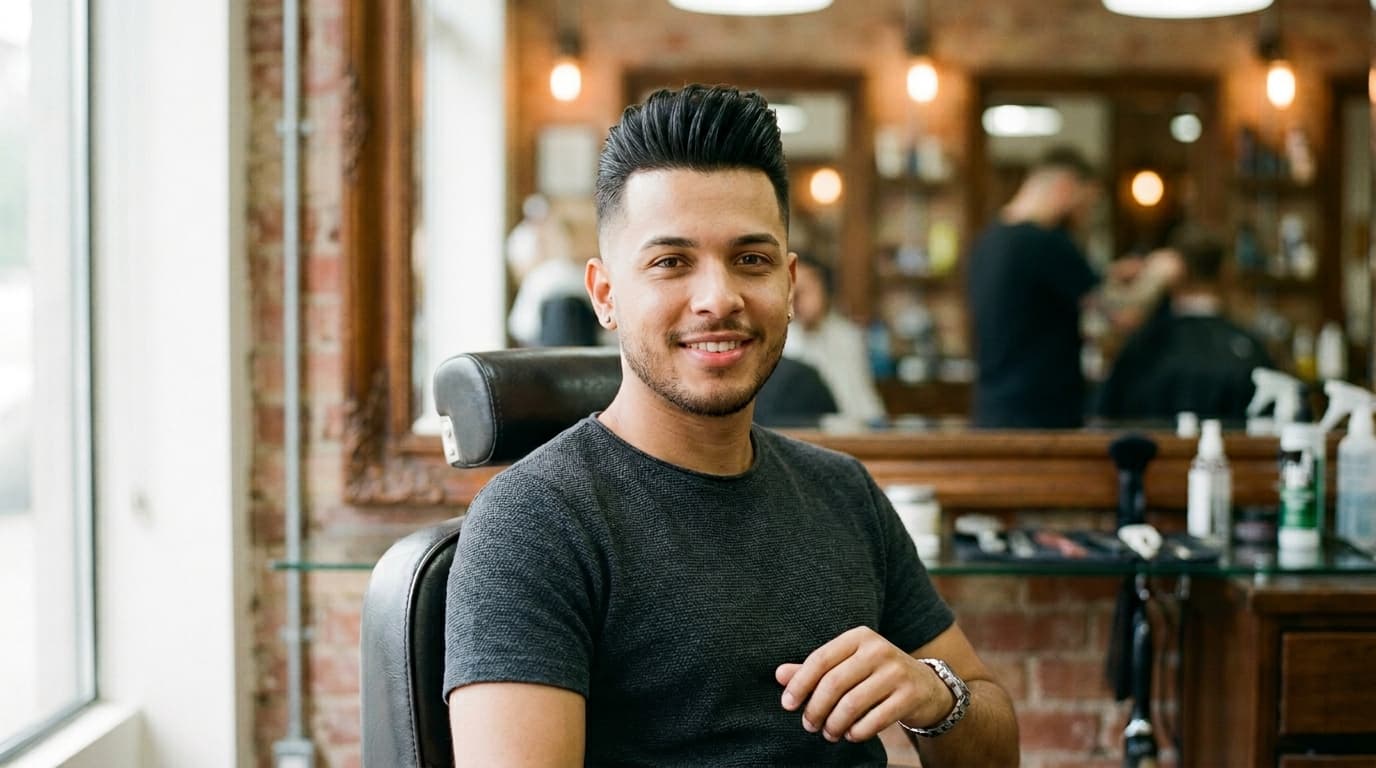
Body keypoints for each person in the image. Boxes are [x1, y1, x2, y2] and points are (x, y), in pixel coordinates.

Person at [444, 85, 1019, 766]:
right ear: (605, 295)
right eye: (671, 262)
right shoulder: (535, 521)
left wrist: (934, 694)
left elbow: (995, 747)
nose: (719, 297)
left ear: (790, 282)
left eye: (751, 259)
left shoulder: (843, 494)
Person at [967, 146, 1182, 429]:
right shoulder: (1044, 242)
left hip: (991, 412)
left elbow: (1034, 307)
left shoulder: (989, 240)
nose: (1085, 216)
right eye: (1087, 203)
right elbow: (1124, 314)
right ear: (1065, 187)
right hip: (1039, 420)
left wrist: (1111, 275)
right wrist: (1159, 273)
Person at [1097, 224, 1274, 423]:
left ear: (1175, 275)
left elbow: (1104, 421)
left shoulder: (1142, 350)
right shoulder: (1249, 352)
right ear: (1226, 272)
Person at [785, 254, 888, 425]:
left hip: (855, 432)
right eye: (790, 290)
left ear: (825, 290)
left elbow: (864, 400)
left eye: (804, 291)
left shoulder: (847, 335)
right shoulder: (779, 338)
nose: (795, 298)